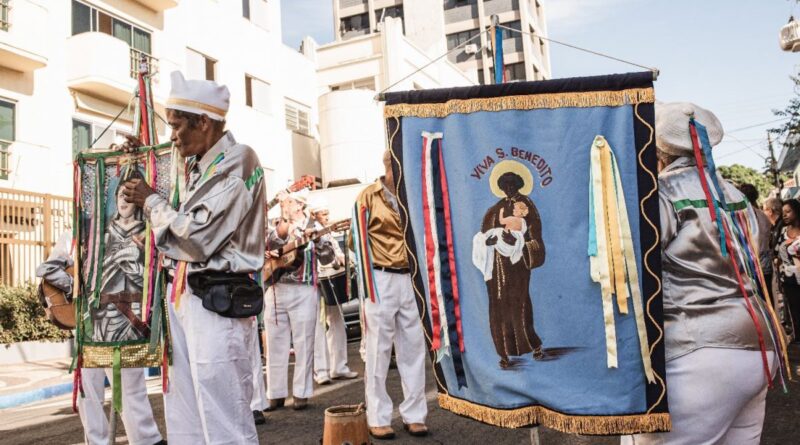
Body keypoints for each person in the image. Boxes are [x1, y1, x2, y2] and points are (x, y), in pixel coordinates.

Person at [122, 71, 265, 444]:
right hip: (185, 297)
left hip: (217, 300)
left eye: (177, 126)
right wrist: (140, 163)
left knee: (224, 414)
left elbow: (198, 237)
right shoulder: (197, 165)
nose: (173, 136)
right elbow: (170, 220)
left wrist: (151, 199)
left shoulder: (239, 160)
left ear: (204, 122)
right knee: (184, 412)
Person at [622, 102, 776, 445]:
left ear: (656, 147)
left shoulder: (660, 194)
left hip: (697, 351)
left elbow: (635, 265)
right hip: (759, 346)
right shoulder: (735, 194)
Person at [37, 233, 165, 445]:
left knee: (129, 383)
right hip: (88, 326)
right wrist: (74, 287)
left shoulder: (123, 232)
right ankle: (98, 441)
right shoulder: (73, 237)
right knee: (89, 390)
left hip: (118, 320)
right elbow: (46, 269)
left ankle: (146, 440)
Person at [352, 150, 428, 440]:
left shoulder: (414, 192)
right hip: (380, 278)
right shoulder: (368, 196)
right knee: (377, 349)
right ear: (386, 165)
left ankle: (415, 415)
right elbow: (355, 241)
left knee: (413, 347)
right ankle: (378, 416)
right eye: (393, 163)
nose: (398, 168)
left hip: (410, 277)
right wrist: (367, 283)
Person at [263, 189, 333, 411]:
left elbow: (329, 257)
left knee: (304, 342)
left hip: (303, 289)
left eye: (289, 202)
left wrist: (319, 242)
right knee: (274, 343)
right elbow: (268, 244)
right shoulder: (277, 225)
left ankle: (301, 393)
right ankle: (275, 393)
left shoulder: (316, 227)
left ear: (299, 205)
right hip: (275, 288)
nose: (285, 204)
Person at [471, 171, 546, 367]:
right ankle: (503, 353)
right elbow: (484, 232)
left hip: (517, 265)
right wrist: (489, 240)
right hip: (496, 266)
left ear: (519, 185)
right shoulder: (496, 208)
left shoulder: (526, 206)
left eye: (512, 184)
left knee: (520, 303)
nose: (509, 188)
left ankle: (533, 345)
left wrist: (520, 241)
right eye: (505, 185)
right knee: (497, 306)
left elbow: (535, 231)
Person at [309, 197, 358, 385]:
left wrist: (341, 259)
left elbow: (336, 251)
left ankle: (339, 367)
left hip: (329, 279)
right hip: (314, 282)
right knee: (318, 326)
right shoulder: (309, 230)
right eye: (324, 214)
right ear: (314, 215)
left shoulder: (328, 232)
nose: (327, 217)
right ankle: (321, 371)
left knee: (336, 322)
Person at [775, 199, 800, 343]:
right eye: (783, 213)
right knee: (794, 311)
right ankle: (798, 340)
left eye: (788, 211)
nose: (784, 215)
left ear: (796, 211)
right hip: (790, 279)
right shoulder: (783, 232)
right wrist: (779, 279)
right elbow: (777, 256)